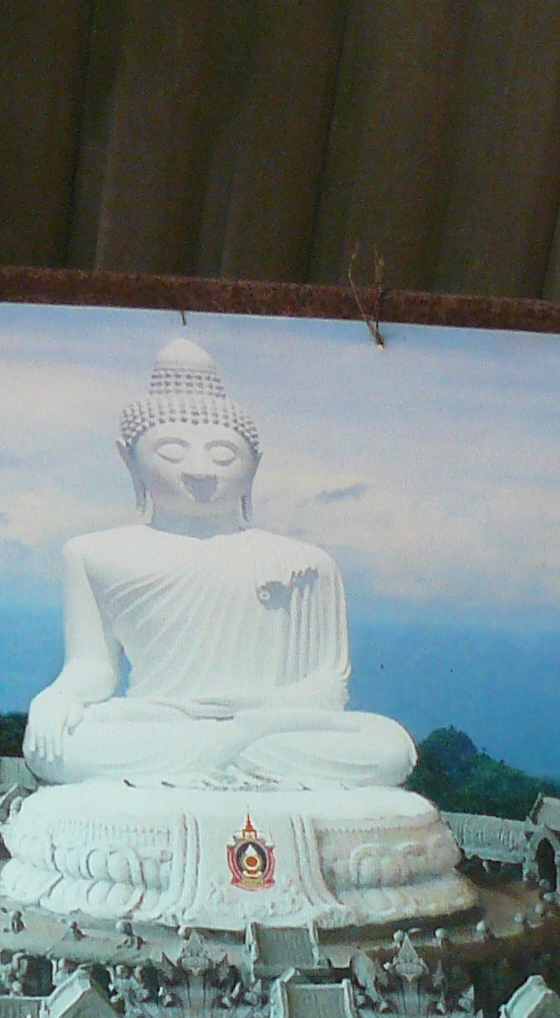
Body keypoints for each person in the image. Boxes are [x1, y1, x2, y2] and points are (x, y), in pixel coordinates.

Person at [22, 338, 416, 790]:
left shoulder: (307, 563)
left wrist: (253, 719)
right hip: (164, 724)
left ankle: (216, 761)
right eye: (171, 453)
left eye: (223, 455)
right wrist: (58, 697)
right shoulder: (93, 553)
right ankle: (236, 763)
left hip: (271, 726)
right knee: (59, 746)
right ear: (128, 458)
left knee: (390, 746)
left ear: (254, 465)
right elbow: (93, 668)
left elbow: (327, 686)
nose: (201, 471)